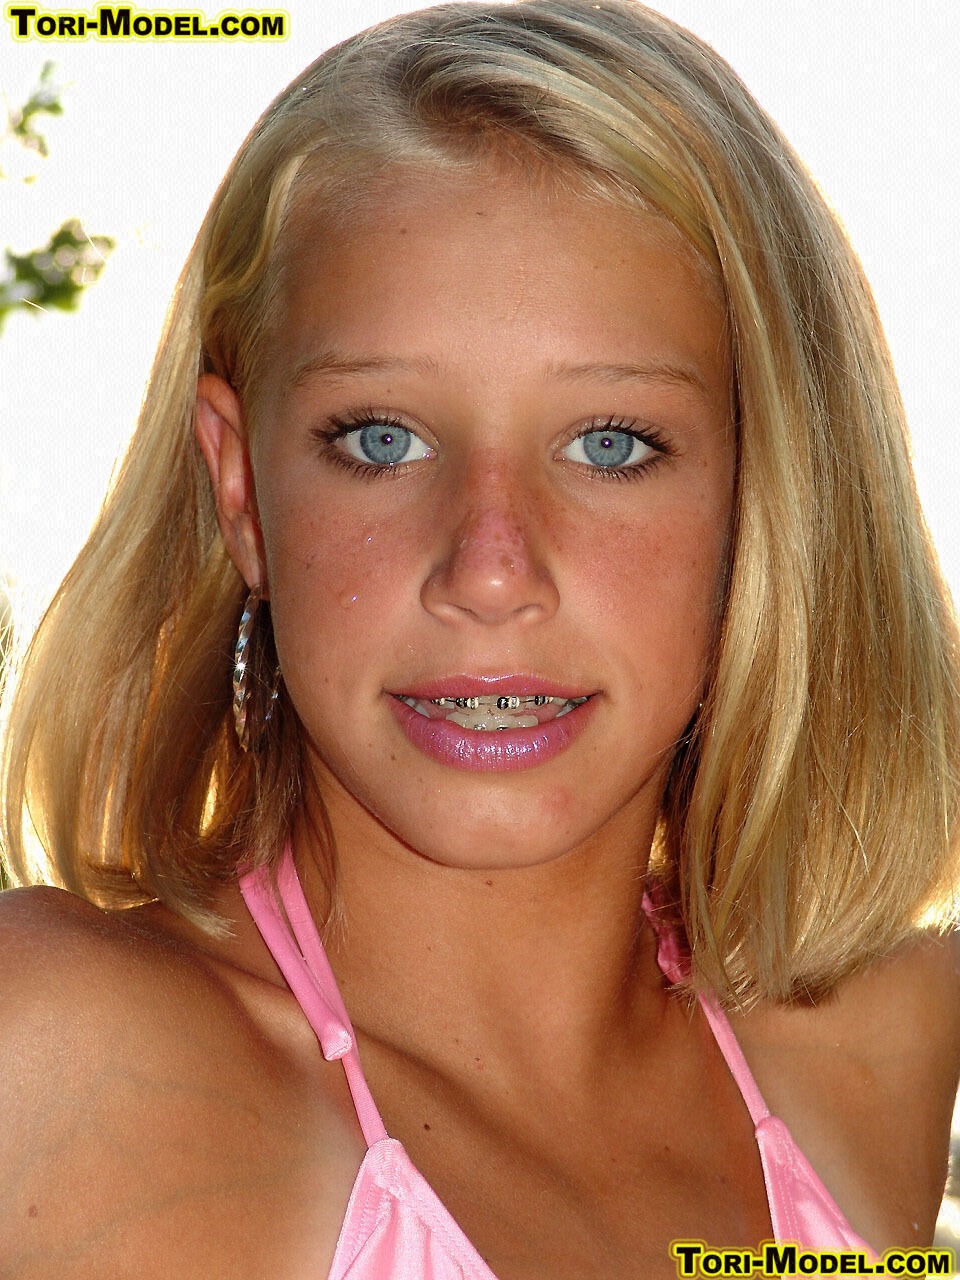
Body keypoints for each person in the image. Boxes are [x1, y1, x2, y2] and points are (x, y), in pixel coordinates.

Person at [1, 2, 959, 1275]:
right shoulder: (51, 1056)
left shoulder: (878, 1046)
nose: (490, 569)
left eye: (610, 444)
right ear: (241, 492)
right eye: (382, 438)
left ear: (772, 495)